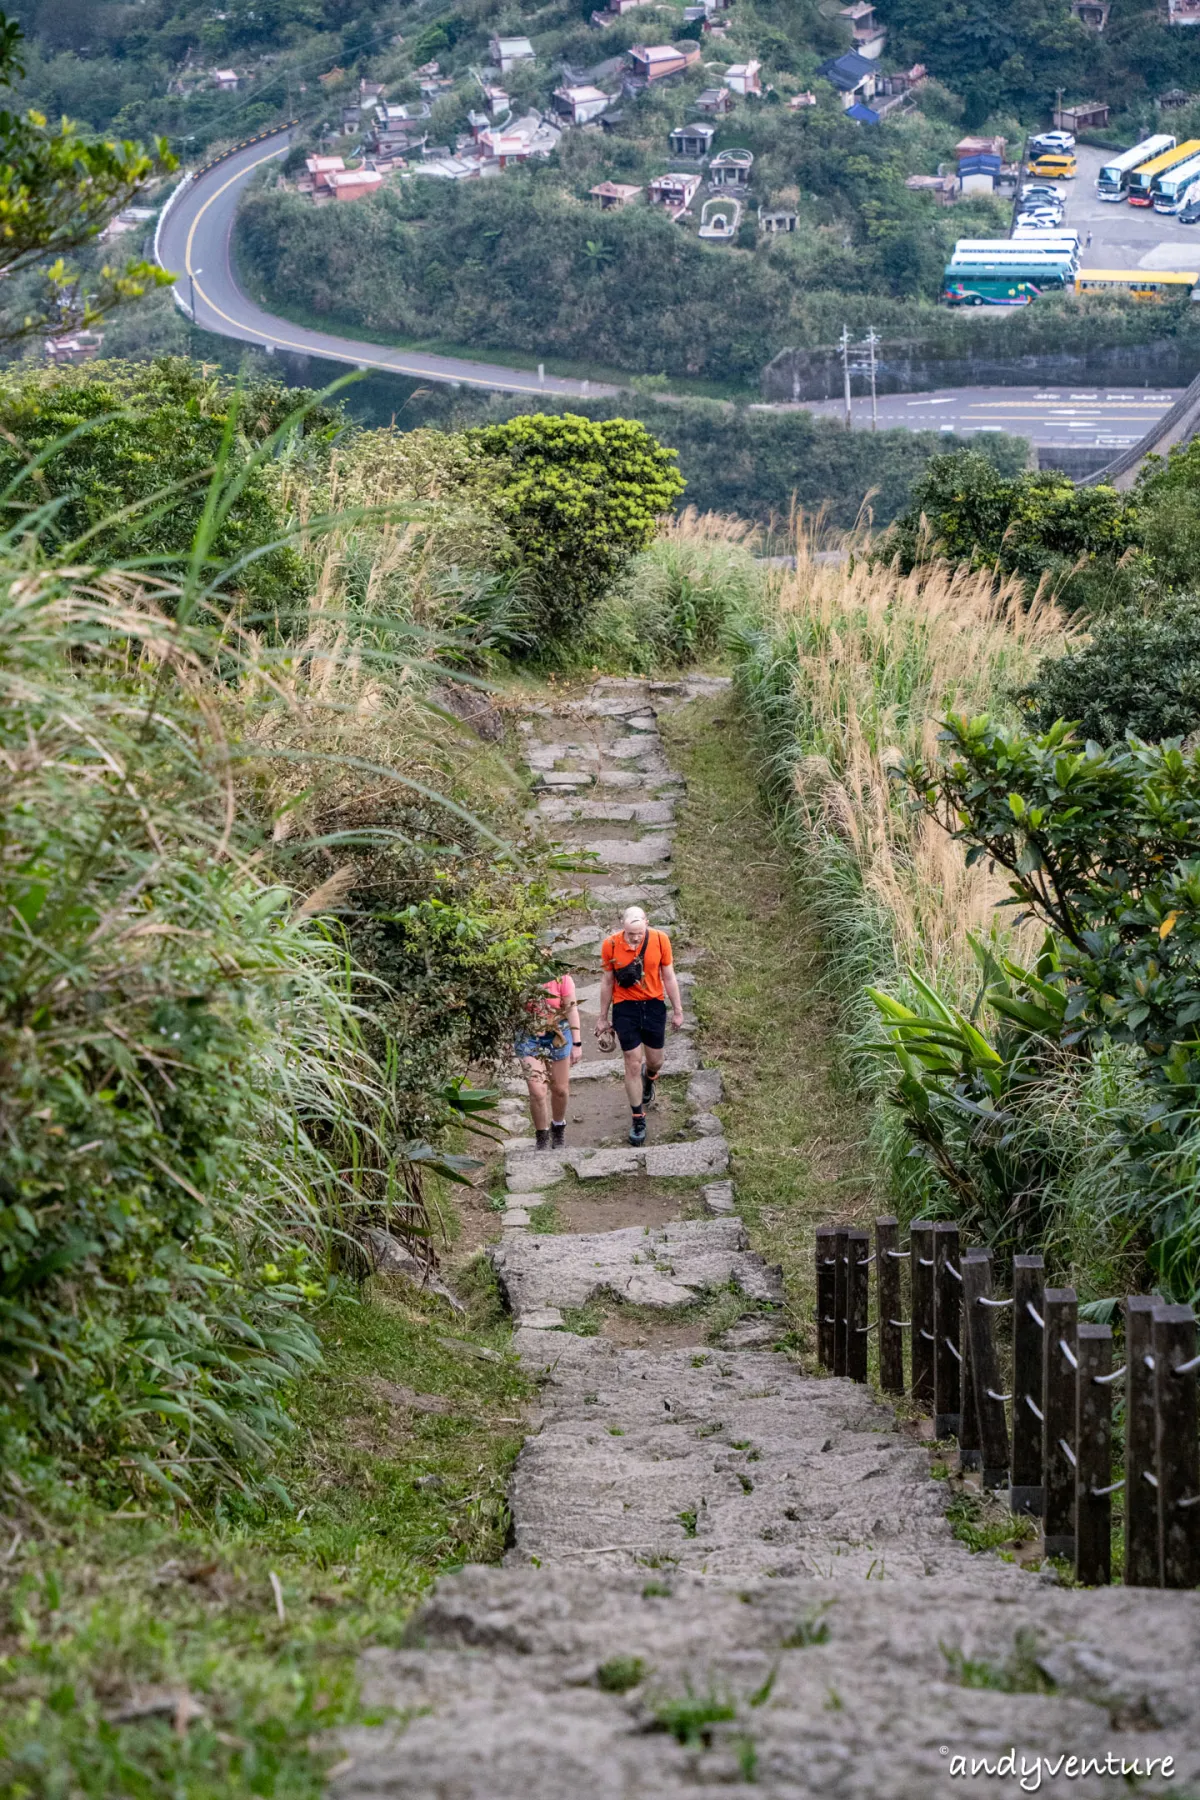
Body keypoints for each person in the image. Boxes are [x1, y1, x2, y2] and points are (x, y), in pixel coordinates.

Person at [596, 905, 685, 1146]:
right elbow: (607, 982)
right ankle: (638, 1118)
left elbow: (669, 975)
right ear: (622, 927)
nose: (635, 938)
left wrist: (677, 1010)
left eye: (639, 933)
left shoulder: (660, 940)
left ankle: (651, 1078)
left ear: (647, 922)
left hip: (654, 1004)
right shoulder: (611, 945)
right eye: (630, 933)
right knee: (632, 1063)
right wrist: (603, 1017)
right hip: (625, 1008)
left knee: (656, 1060)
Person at [515, 973, 583, 1149]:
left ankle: (558, 1127)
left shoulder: (562, 979)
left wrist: (577, 1043)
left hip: (558, 1034)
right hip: (529, 1036)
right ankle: (542, 1136)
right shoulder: (519, 976)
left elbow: (571, 1009)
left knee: (560, 1089)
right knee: (537, 1090)